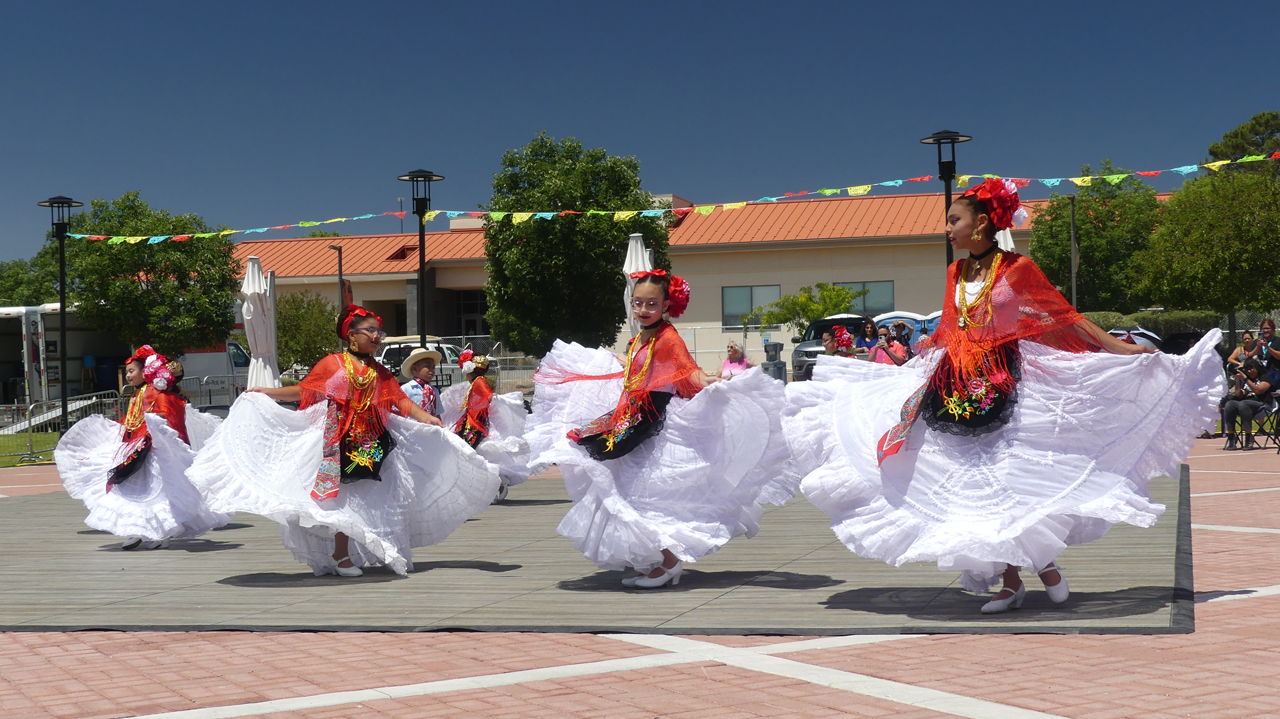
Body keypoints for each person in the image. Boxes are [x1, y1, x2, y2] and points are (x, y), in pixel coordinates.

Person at [784, 178, 1224, 614]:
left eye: (954, 220)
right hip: (954, 383)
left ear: (980, 224)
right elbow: (948, 328)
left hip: (1006, 381)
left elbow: (1064, 318)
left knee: (1011, 477)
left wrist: (1124, 350)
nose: (947, 229)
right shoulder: (954, 271)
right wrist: (912, 362)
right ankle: (1022, 576)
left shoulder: (1018, 268)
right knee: (969, 484)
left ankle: (1032, 569)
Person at [186, 305, 500, 577]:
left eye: (380, 332)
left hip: (376, 440)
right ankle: (341, 554)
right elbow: (305, 391)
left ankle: (384, 547)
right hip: (339, 441)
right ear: (352, 335)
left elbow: (400, 402)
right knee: (344, 498)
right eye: (371, 331)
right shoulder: (332, 364)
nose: (378, 336)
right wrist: (267, 393)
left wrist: (427, 418)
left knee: (385, 494)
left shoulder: (379, 371)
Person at [526, 269, 792, 589]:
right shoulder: (640, 337)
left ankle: (669, 561)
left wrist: (706, 381)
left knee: (643, 492)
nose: (643, 310)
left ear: (666, 305)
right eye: (637, 303)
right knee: (618, 482)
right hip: (630, 417)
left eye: (651, 304)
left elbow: (687, 370)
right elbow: (637, 373)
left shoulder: (668, 338)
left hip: (652, 422)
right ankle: (660, 559)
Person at [56, 345, 229, 550]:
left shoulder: (156, 394)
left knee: (158, 491)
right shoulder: (140, 394)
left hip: (155, 450)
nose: (128, 376)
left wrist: (157, 436)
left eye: (132, 371)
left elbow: (165, 422)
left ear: (146, 371)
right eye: (126, 372)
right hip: (138, 449)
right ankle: (139, 530)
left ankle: (162, 531)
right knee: (134, 490)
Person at [439, 348, 531, 498]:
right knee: (470, 452)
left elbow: (488, 395)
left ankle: (494, 482)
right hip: (471, 423)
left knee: (466, 452)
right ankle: (492, 482)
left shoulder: (479, 382)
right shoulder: (477, 381)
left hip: (474, 426)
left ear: (469, 370)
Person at [1223, 358, 1277, 451]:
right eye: (1247, 369)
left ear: (1257, 367)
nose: (1249, 371)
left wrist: (1245, 378)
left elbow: (1258, 391)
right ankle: (1231, 438)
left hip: (1263, 405)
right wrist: (1237, 380)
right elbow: (1238, 395)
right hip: (1245, 407)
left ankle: (1248, 438)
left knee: (1244, 404)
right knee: (1230, 404)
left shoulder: (1266, 377)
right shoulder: (1246, 380)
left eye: (1251, 368)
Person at [400, 347, 443, 419]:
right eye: (428, 366)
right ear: (415, 369)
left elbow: (437, 414)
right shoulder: (406, 389)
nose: (432, 370)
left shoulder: (434, 391)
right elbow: (399, 412)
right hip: (411, 429)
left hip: (430, 429)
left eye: (433, 367)